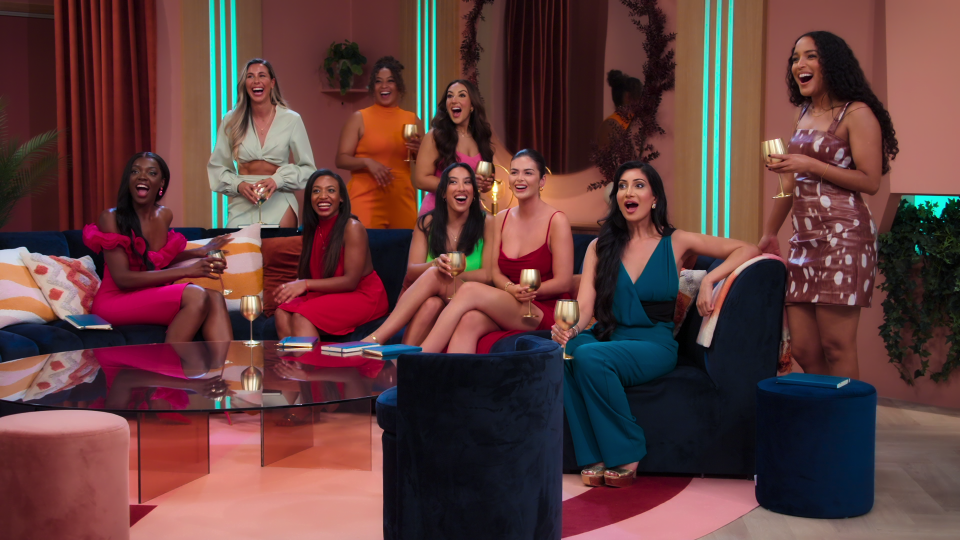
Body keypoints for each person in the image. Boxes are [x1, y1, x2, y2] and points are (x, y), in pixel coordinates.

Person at [552, 161, 760, 488]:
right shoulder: (599, 247)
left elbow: (747, 249)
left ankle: (628, 449)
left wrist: (709, 281)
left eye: (638, 185)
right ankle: (593, 453)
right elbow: (585, 306)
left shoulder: (677, 242)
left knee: (591, 357)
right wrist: (570, 330)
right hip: (610, 335)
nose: (628, 192)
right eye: (622, 186)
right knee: (567, 353)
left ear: (654, 198)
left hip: (654, 344)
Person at [758, 31, 898, 380]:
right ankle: (828, 419)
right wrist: (769, 232)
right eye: (794, 58)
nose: (799, 65)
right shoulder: (802, 114)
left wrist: (810, 165)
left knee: (837, 346)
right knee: (804, 349)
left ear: (831, 63)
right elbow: (789, 187)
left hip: (845, 237)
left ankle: (848, 430)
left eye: (810, 56)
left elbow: (871, 180)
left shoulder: (858, 112)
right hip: (804, 241)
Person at [413, 149, 573, 353]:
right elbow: (495, 272)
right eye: (514, 172)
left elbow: (564, 281)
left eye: (528, 173)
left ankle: (420, 358)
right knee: (469, 320)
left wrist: (526, 291)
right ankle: (456, 383)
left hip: (541, 308)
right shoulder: (501, 218)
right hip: (509, 301)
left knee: (469, 289)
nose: (519, 178)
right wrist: (510, 288)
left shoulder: (557, 220)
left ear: (542, 181)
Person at [83, 152, 233, 343]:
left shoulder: (164, 215)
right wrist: (188, 271)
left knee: (216, 298)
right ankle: (166, 366)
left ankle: (227, 367)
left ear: (161, 183)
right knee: (196, 295)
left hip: (148, 292)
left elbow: (155, 261)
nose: (142, 176)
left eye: (151, 173)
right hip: (115, 300)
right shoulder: (111, 217)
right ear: (128, 179)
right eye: (135, 171)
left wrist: (199, 253)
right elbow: (123, 279)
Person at [363, 162, 494, 345]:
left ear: (474, 192)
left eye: (467, 182)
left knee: (434, 274)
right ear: (442, 193)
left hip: (469, 296)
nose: (461, 188)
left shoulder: (487, 222)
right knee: (431, 304)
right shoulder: (426, 223)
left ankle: (375, 339)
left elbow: (488, 275)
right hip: (436, 299)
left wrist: (447, 274)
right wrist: (435, 264)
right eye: (453, 182)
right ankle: (402, 362)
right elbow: (411, 271)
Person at [273, 169, 388, 339]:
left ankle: (310, 364)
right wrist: (294, 286)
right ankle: (294, 365)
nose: (323, 196)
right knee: (281, 313)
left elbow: (350, 282)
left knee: (302, 315)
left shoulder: (352, 227)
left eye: (331, 190)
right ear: (310, 198)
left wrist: (304, 284)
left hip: (362, 295)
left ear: (341, 198)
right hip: (331, 294)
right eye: (316, 191)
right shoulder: (313, 229)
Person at [208, 58, 316, 228]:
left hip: (279, 197)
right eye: (250, 76)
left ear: (272, 83)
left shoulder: (291, 120)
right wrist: (239, 185)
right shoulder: (231, 120)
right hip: (243, 199)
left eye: (262, 75)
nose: (256, 81)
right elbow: (217, 168)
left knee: (277, 251)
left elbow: (308, 170)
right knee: (238, 252)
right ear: (245, 84)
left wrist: (278, 179)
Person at [335, 56, 423, 229]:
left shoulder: (412, 119)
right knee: (364, 251)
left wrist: (420, 151)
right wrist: (367, 162)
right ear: (372, 88)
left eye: (390, 81)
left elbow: (425, 165)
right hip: (364, 197)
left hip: (401, 200)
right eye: (378, 81)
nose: (384, 86)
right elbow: (341, 159)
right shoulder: (359, 118)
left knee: (403, 252)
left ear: (399, 86)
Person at [414, 79, 510, 215]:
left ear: (472, 106)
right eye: (450, 95)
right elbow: (420, 180)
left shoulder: (480, 138)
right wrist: (463, 184)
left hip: (471, 216)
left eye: (462, 95)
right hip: (438, 215)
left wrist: (485, 185)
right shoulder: (435, 136)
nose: (454, 100)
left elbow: (481, 184)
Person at [597, 69, 643, 149]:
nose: (642, 101)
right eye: (639, 95)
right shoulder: (611, 125)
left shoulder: (637, 121)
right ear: (628, 97)